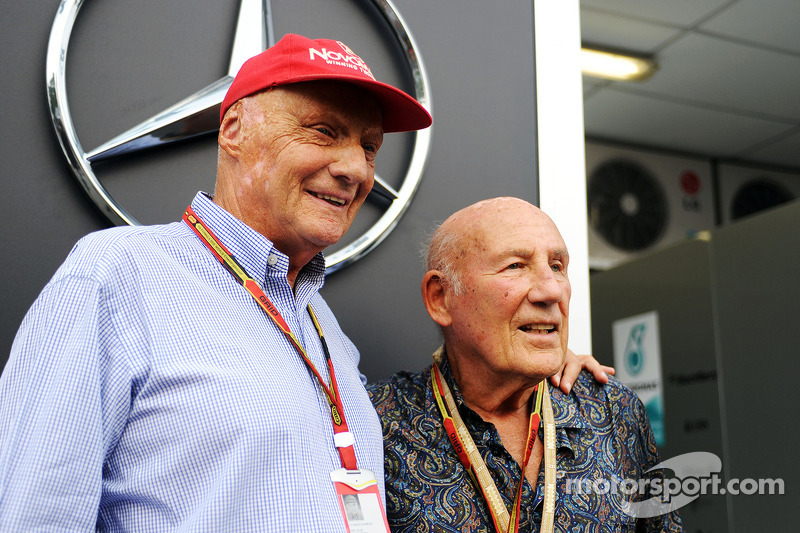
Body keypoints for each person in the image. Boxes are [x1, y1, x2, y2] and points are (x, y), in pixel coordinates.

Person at [0, 35, 607, 531]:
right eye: (322, 131)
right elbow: (34, 515)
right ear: (233, 128)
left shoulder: (325, 332)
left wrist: (530, 357)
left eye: (369, 146)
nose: (353, 169)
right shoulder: (117, 277)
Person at [368, 197, 684, 532]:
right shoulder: (379, 422)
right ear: (441, 298)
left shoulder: (614, 410)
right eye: (516, 266)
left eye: (558, 266)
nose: (551, 291)